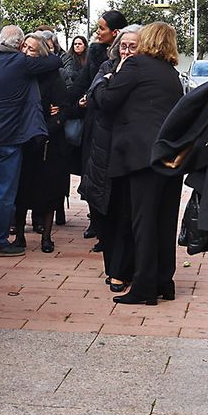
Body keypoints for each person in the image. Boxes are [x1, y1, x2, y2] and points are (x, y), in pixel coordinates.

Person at [91, 21, 185, 304]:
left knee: (142, 222)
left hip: (140, 156)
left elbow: (107, 100)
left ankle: (144, 286)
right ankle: (163, 281)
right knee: (164, 221)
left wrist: (103, 82)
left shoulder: (136, 66)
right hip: (169, 156)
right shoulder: (171, 74)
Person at [0, 25, 61, 257]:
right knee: (4, 193)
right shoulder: (21, 63)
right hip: (9, 138)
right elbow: (54, 62)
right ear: (17, 45)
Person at [81, 25, 141, 291]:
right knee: (105, 210)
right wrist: (108, 80)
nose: (126, 51)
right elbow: (96, 95)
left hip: (128, 149)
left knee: (126, 211)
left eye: (132, 46)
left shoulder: (142, 70)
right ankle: (112, 267)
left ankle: (122, 269)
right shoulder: (107, 66)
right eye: (123, 46)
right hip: (103, 147)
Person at [14, 34, 69, 254]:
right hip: (23, 138)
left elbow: (63, 106)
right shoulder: (19, 72)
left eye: (32, 49)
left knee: (49, 189)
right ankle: (19, 235)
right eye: (24, 46)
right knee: (21, 189)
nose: (26, 51)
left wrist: (49, 125)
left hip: (48, 141)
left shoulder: (53, 76)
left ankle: (46, 236)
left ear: (41, 55)